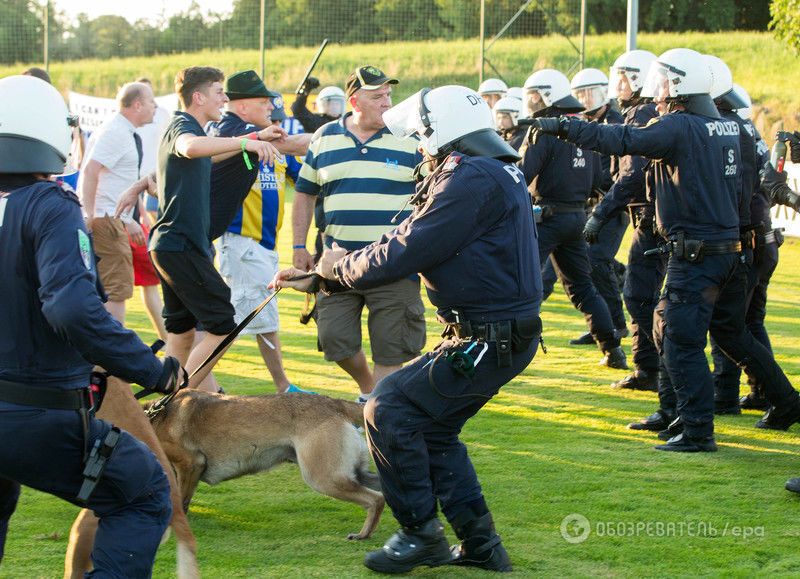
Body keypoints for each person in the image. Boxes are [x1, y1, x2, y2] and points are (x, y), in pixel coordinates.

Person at [273, 84, 542, 574]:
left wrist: (335, 269)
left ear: (441, 131)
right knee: (432, 431)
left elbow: (407, 247)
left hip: (488, 335)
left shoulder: (471, 177)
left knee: (387, 408)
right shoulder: (486, 170)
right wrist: (325, 275)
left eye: (422, 136)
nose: (420, 147)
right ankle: (481, 546)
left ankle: (421, 534)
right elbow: (405, 241)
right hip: (492, 333)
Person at [530, 48, 800, 451]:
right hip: (730, 250)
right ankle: (785, 401)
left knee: (679, 338)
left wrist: (563, 128)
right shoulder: (729, 127)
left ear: (678, 84)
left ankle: (695, 430)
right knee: (732, 334)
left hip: (696, 254)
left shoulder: (680, 127)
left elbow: (622, 140)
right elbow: (745, 193)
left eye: (662, 84)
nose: (656, 94)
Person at [0, 74, 183, 575]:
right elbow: (72, 309)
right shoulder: (49, 206)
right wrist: (153, 369)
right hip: (34, 410)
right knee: (143, 492)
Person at [115, 66, 281, 391]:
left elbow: (206, 156)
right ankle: (178, 400)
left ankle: (166, 402)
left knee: (182, 333)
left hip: (169, 245)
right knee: (222, 323)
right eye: (219, 92)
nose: (224, 98)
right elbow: (190, 147)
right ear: (198, 96)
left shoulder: (192, 129)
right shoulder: (183, 126)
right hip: (181, 245)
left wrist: (256, 138)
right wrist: (248, 144)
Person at [292, 65, 426, 402]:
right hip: (336, 263)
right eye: (377, 95)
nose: (387, 101)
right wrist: (298, 245)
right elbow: (305, 193)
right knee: (334, 339)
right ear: (355, 101)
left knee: (391, 348)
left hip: (393, 261)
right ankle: (369, 389)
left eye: (389, 94)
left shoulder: (410, 137)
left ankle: (376, 409)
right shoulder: (324, 136)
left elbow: (432, 191)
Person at [208, 70, 311, 393]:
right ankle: (192, 379)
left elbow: (300, 174)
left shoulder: (266, 138)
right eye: (262, 101)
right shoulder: (230, 133)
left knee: (256, 318)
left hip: (263, 245)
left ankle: (280, 386)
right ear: (240, 106)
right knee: (234, 320)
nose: (270, 106)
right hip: (242, 241)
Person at [518, 68, 627, 369]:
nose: (531, 102)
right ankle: (611, 348)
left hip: (546, 217)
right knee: (583, 287)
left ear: (548, 96)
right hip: (577, 217)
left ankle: (511, 344)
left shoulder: (544, 130)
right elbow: (596, 179)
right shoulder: (583, 127)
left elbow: (523, 173)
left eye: (534, 96)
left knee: (522, 280)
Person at [78, 81, 157, 323]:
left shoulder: (121, 131)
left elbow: (119, 180)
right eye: (151, 102)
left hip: (112, 220)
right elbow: (91, 171)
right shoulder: (116, 131)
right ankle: (108, 359)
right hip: (107, 222)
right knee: (116, 292)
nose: (155, 107)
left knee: (113, 290)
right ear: (137, 105)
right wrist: (90, 215)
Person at [569, 67, 629, 346]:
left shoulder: (614, 121)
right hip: (594, 203)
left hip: (611, 204)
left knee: (596, 260)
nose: (584, 99)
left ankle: (616, 324)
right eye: (579, 94)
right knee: (590, 262)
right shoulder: (588, 123)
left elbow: (613, 171)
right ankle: (604, 323)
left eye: (588, 93)